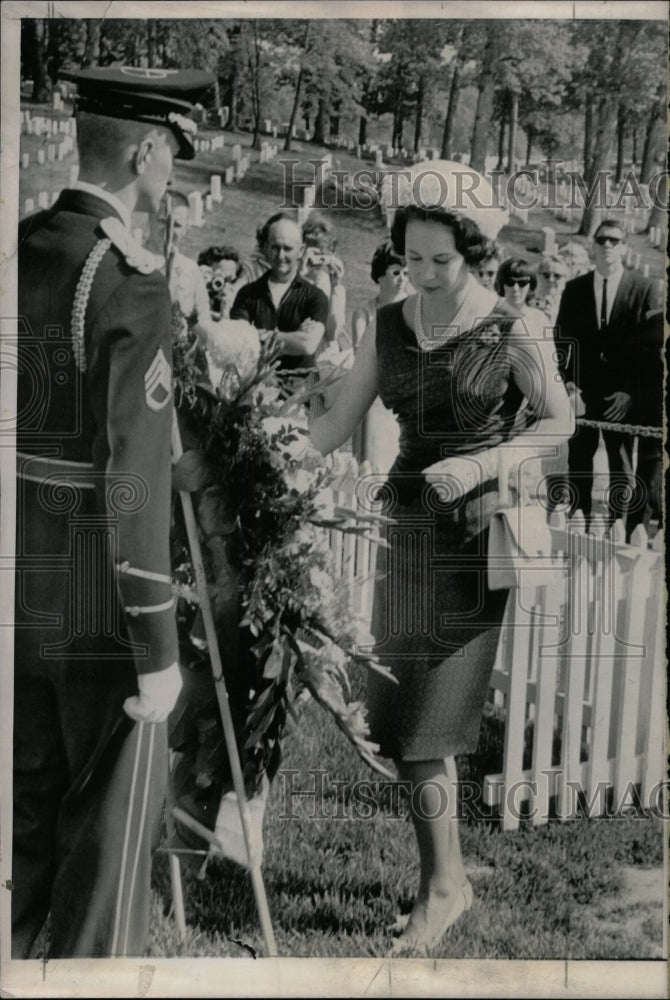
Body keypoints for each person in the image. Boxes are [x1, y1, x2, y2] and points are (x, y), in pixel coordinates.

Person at [309, 160, 572, 955]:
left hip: (478, 536)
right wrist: (270, 449)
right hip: (406, 530)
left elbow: (559, 422)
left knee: (430, 727)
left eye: (440, 261)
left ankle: (442, 891)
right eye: (411, 259)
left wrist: (484, 465)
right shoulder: (388, 324)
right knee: (401, 727)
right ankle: (447, 877)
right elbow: (334, 425)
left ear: (475, 253)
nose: (422, 275)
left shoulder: (510, 324)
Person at [13, 65, 215, 959]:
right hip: (99, 597)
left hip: (20, 574)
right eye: (172, 155)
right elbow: (131, 479)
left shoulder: (26, 245)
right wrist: (159, 649)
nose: (172, 176)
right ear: (144, 151)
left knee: (25, 813)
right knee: (105, 841)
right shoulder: (127, 278)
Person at [555, 219, 660, 525]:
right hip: (583, 393)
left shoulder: (643, 288)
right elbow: (561, 342)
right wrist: (569, 386)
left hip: (621, 397)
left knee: (621, 466)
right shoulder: (574, 289)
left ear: (625, 247)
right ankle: (579, 522)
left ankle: (618, 528)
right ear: (593, 245)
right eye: (602, 240)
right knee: (579, 463)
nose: (607, 246)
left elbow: (650, 351)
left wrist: (630, 392)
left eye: (615, 241)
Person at [230, 212, 328, 378]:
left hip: (299, 391)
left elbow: (307, 344)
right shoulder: (247, 294)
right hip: (252, 386)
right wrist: (291, 337)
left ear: (301, 250)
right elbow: (239, 342)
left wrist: (259, 334)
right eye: (275, 247)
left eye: (288, 248)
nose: (281, 256)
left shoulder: (315, 297)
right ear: (266, 248)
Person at [625, 307, 664, 540]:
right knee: (648, 478)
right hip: (654, 418)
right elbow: (636, 366)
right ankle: (633, 535)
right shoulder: (654, 323)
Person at [301, 211, 346, 344]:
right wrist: (301, 274)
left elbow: (332, 334)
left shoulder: (332, 287)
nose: (317, 261)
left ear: (331, 254)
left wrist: (336, 287)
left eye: (322, 256)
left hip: (322, 351)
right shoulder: (291, 278)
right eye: (314, 254)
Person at [494, 257, 547, 327]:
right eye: (510, 282)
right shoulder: (492, 317)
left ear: (530, 285)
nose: (515, 288)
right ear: (502, 284)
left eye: (522, 282)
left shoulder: (540, 319)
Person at [197, 244, 244, 320]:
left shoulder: (234, 305)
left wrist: (226, 311)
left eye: (230, 280)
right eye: (218, 278)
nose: (222, 284)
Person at [532, 253, 568, 325]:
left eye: (557, 276)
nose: (551, 280)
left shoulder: (571, 305)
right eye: (546, 275)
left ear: (565, 279)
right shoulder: (528, 302)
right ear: (539, 276)